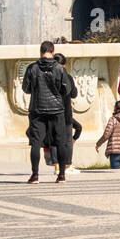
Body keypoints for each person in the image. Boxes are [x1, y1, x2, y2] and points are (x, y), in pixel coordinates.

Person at [23, 41, 74, 182]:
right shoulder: (59, 68)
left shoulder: (32, 68)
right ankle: (61, 174)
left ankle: (35, 175)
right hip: (57, 110)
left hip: (37, 110)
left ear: (40, 52)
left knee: (36, 143)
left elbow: (26, 88)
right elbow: (66, 89)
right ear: (53, 52)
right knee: (60, 142)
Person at [52, 52, 80, 178]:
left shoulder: (48, 76)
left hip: (52, 112)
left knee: (54, 140)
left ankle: (57, 166)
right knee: (67, 140)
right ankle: (67, 165)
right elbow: (74, 94)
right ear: (65, 65)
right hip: (65, 112)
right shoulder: (67, 77)